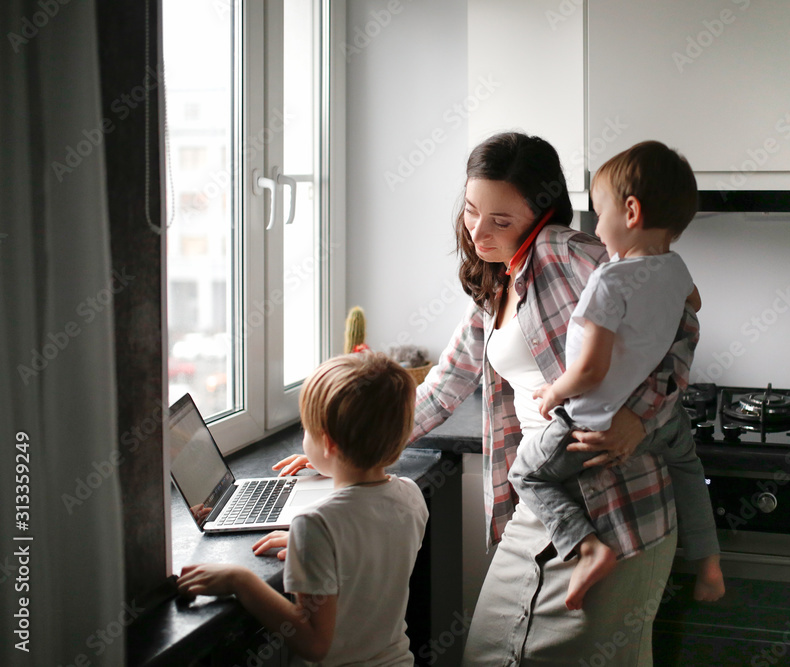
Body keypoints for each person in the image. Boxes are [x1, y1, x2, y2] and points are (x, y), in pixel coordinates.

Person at [276, 132, 712, 665]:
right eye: (470, 211)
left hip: (616, 505)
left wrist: (641, 421)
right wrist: (342, 445)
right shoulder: (498, 286)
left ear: (541, 216)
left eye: (501, 221)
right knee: (487, 652)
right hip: (544, 500)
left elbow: (680, 318)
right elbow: (443, 384)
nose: (479, 231)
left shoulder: (565, 250)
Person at [509, 140, 724, 611]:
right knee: (689, 470)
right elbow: (695, 307)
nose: (594, 226)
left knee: (526, 474)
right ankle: (709, 563)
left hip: (593, 423)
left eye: (598, 212)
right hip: (660, 423)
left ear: (630, 212)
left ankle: (588, 549)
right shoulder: (676, 268)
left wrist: (553, 391)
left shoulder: (608, 280)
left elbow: (590, 370)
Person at [178, 353, 428, 667]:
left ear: (329, 444)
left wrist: (241, 580)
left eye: (306, 429)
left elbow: (314, 643)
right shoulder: (411, 496)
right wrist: (311, 548)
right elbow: (367, 549)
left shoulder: (315, 525)